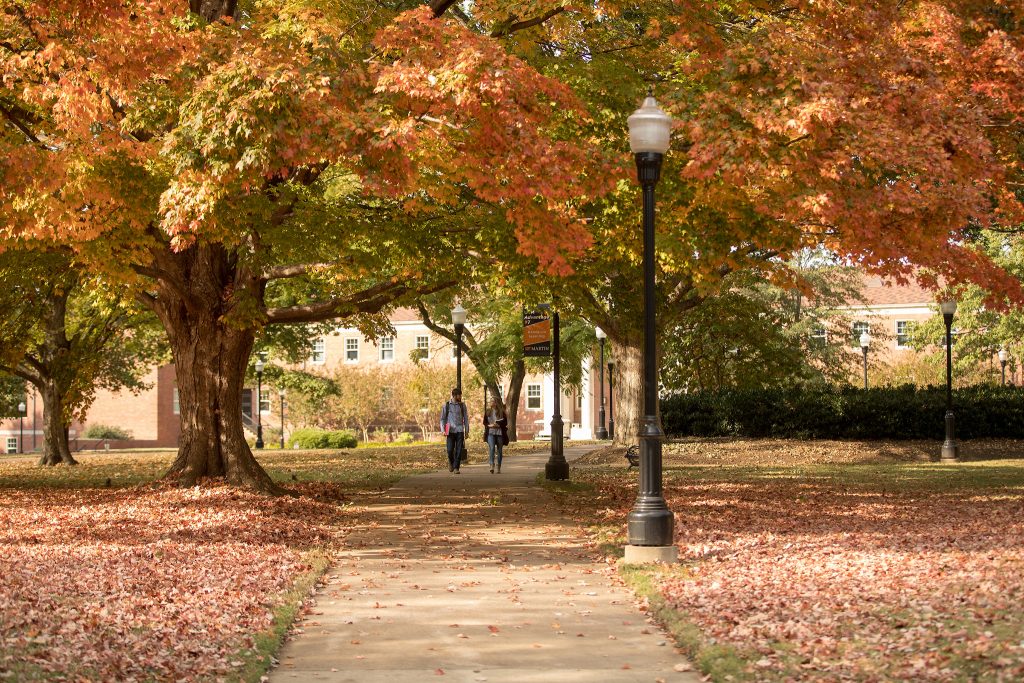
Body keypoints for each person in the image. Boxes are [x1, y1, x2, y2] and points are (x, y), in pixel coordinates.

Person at [440, 387, 469, 473]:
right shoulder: (447, 405)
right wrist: (443, 430)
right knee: (449, 450)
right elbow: (442, 419)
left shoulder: (462, 405)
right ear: (454, 395)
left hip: (460, 430)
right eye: (459, 395)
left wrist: (467, 430)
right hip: (450, 431)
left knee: (459, 450)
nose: (460, 397)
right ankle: (451, 462)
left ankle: (456, 468)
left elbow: (466, 418)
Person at [483, 396, 509, 474]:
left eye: (493, 401)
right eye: (491, 401)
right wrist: (489, 425)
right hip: (491, 432)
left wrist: (499, 425)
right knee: (491, 449)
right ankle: (491, 465)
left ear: (496, 402)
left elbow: (505, 422)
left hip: (499, 433)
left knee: (499, 450)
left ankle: (499, 467)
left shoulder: (501, 411)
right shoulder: (488, 411)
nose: (492, 403)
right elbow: (484, 422)